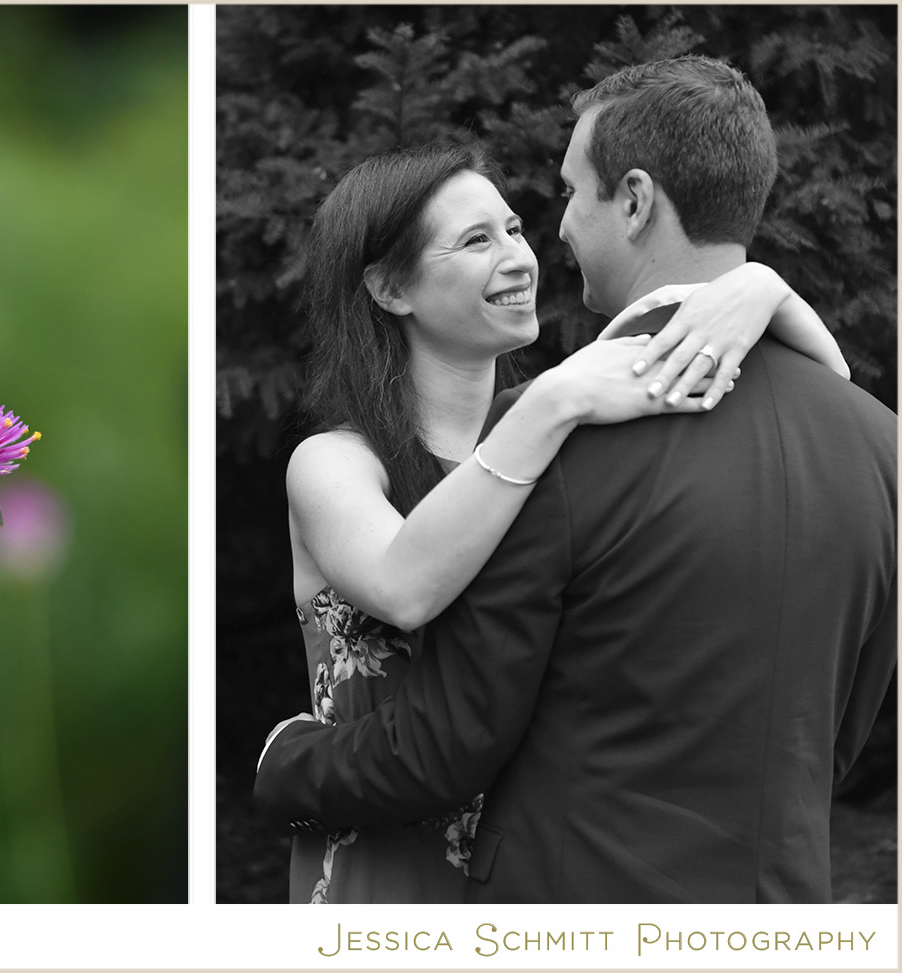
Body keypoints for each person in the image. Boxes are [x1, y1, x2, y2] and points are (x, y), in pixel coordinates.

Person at [259, 56, 895, 904]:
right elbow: (848, 735)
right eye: (477, 239)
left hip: (551, 880)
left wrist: (284, 763)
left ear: (632, 201)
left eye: (524, 220)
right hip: (412, 873)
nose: (536, 243)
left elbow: (455, 736)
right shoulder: (876, 442)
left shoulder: (565, 435)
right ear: (387, 286)